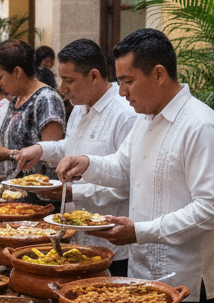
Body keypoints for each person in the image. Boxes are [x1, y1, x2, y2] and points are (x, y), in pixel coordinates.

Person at [56, 28, 214, 303]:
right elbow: (124, 167)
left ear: (159, 74)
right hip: (142, 272)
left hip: (185, 279)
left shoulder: (201, 126)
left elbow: (213, 210)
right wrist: (87, 163)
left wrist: (140, 231)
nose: (122, 92)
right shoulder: (145, 119)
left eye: (128, 81)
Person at [17, 39, 137, 274]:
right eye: (61, 79)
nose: (62, 88)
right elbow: (70, 148)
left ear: (94, 76)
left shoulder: (126, 114)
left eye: (69, 80)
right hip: (76, 234)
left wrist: (73, 192)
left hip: (112, 241)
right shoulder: (80, 107)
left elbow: (127, 182)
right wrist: (41, 149)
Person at [0, 39, 66, 174]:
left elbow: (53, 154)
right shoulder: (16, 99)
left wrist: (8, 154)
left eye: (0, 76)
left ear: (17, 72)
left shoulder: (46, 99)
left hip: (37, 190)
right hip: (12, 188)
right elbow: (22, 141)